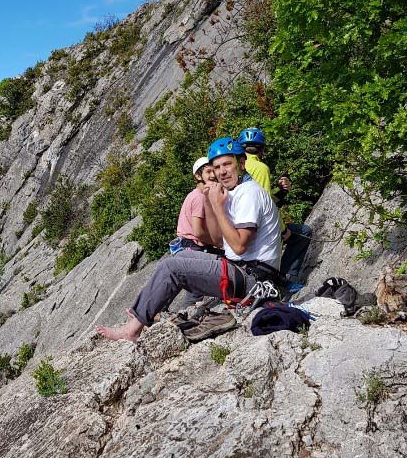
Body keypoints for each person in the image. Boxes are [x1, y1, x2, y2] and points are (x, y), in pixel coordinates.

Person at [97, 137, 282, 342]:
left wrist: (219, 207)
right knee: (181, 255)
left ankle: (132, 329)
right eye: (216, 167)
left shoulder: (249, 193)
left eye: (227, 164)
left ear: (241, 163)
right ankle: (144, 310)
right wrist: (211, 202)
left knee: (172, 268)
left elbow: (239, 245)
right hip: (240, 269)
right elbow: (218, 240)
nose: (222, 172)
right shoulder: (234, 192)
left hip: (253, 280)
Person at [237, 127, 312, 287]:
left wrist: (281, 191)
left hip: (243, 224)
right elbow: (266, 205)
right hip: (261, 226)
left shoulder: (240, 167)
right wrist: (283, 229)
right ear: (262, 149)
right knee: (303, 234)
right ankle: (286, 281)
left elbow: (263, 198)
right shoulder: (261, 168)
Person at [175, 156, 221, 252]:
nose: (213, 175)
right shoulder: (199, 198)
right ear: (198, 176)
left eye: (214, 171)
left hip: (187, 244)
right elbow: (198, 232)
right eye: (208, 172)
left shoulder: (195, 194)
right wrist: (218, 243)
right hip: (194, 246)